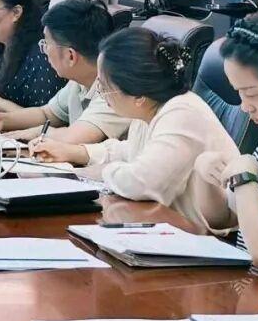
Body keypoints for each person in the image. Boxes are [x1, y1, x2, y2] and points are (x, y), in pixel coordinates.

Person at [32, 27, 238, 234]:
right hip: (172, 229)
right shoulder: (151, 108)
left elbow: (143, 183)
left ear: (138, 96)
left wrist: (101, 172)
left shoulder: (182, 114)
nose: (101, 94)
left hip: (205, 241)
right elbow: (130, 151)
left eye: (105, 87)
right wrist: (74, 152)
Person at [0, 0, 130, 144]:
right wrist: (3, 120)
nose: (44, 51)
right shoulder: (79, 80)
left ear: (70, 56)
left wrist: (36, 133)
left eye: (47, 44)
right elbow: (48, 114)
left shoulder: (115, 89)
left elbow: (76, 137)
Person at [195, 11, 258, 268]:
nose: (244, 107)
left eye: (251, 94)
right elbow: (224, 218)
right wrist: (204, 176)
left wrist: (244, 178)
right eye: (239, 93)